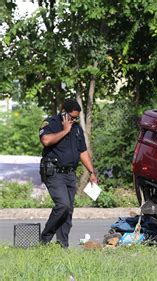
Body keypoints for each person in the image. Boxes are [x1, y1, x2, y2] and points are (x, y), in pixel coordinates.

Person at [39, 99, 97, 248]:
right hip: (54, 172)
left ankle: (62, 244)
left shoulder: (77, 128)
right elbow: (46, 140)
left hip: (70, 174)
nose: (74, 120)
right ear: (63, 111)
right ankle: (44, 239)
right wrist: (65, 130)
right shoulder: (50, 123)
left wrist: (91, 172)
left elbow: (82, 152)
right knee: (63, 205)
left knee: (68, 210)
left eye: (76, 117)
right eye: (72, 117)